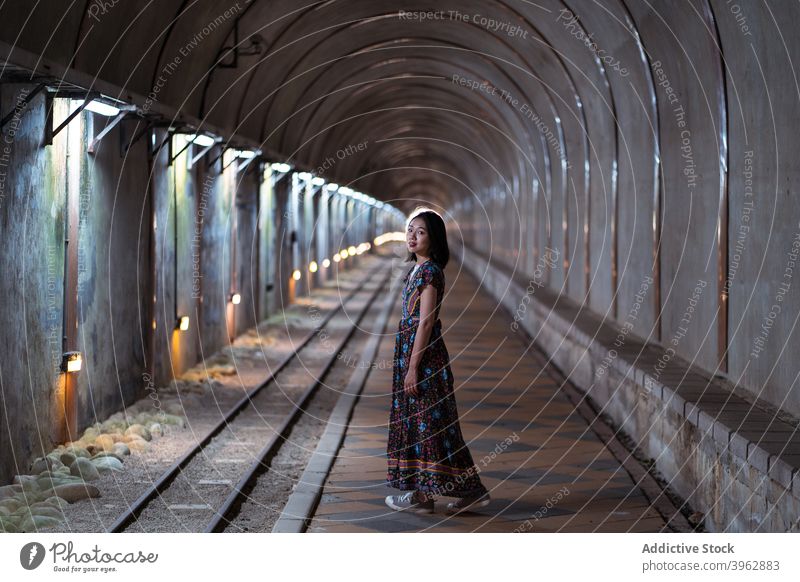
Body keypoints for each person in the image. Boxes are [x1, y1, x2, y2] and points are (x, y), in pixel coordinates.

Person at [385, 207, 490, 515]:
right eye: (410, 230)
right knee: (422, 424)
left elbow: (426, 322)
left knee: (432, 424)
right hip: (412, 351)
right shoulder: (416, 270)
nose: (412, 236)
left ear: (435, 239)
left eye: (421, 232)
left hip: (425, 356)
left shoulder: (430, 272)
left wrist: (413, 367)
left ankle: (462, 491)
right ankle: (424, 495)